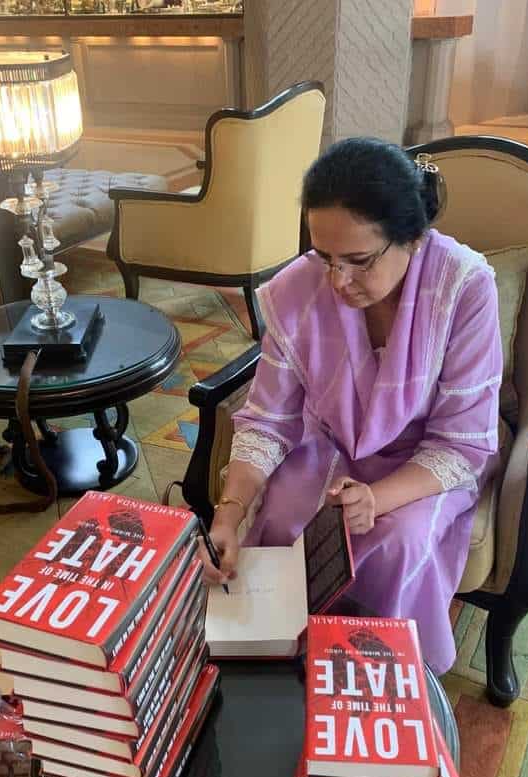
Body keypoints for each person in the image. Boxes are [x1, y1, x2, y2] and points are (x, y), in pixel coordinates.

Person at [197, 137, 503, 675]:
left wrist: (376, 499)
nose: (338, 281)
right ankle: (288, 659)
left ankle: (374, 673)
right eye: (325, 257)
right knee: (286, 515)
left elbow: (461, 443)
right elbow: (267, 421)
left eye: (359, 261)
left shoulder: (463, 287)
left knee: (398, 541)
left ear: (412, 238)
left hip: (426, 466)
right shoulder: (298, 289)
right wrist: (228, 513)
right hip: (333, 445)